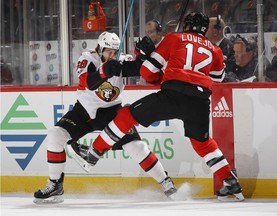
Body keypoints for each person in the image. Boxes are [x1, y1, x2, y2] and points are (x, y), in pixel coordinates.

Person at [72, 12, 245, 202]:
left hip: (173, 94)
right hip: (200, 100)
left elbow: (147, 72)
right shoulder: (215, 49)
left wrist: (148, 55)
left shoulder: (173, 37)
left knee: (125, 115)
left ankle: (93, 154)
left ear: (186, 24)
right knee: (202, 143)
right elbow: (217, 78)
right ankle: (230, 181)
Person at [33, 31, 177, 204]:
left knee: (136, 147)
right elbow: (89, 82)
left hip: (112, 111)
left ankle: (166, 182)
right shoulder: (87, 58)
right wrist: (104, 71)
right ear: (100, 49)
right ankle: (55, 185)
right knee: (55, 135)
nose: (113, 55)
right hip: (84, 111)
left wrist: (145, 55)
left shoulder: (121, 61)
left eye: (115, 52)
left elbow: (145, 72)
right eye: (109, 51)